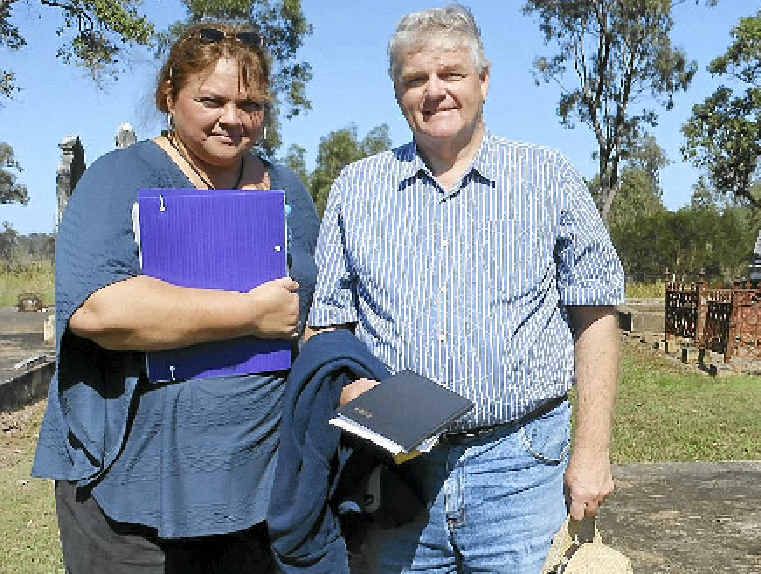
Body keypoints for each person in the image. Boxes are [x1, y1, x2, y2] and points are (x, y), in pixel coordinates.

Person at [307, 4, 624, 573]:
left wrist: (592, 451)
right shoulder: (357, 189)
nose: (434, 91)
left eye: (450, 73)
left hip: (521, 468)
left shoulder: (546, 178)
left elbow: (596, 314)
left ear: (483, 79)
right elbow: (328, 327)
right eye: (415, 79)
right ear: (398, 92)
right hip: (396, 478)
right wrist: (349, 392)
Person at [32, 23, 319, 573]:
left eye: (250, 103)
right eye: (211, 100)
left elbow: (313, 313)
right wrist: (251, 315)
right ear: (170, 95)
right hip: (131, 488)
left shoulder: (287, 191)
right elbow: (101, 310)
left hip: (257, 485)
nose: (232, 118)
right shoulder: (121, 179)